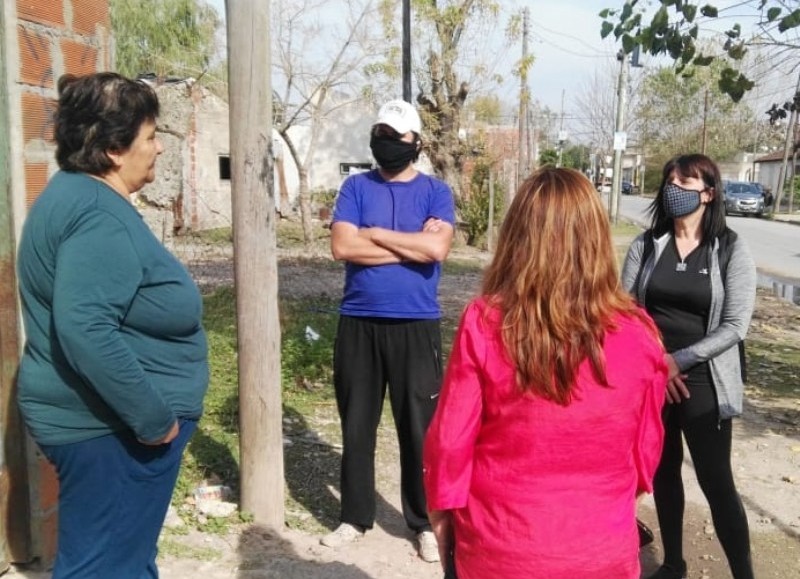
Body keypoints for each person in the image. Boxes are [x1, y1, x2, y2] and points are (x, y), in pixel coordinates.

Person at [423, 167, 668, 578]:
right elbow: (646, 450)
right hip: (601, 550)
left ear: (517, 238)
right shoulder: (640, 333)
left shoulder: (486, 323)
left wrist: (440, 512)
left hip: (501, 548)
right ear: (596, 239)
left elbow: (450, 440)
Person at [16, 72, 208, 579]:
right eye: (150, 136)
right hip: (113, 431)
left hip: (108, 428)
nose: (159, 149)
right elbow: (86, 328)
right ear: (114, 150)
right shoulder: (97, 213)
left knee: (120, 559)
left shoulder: (74, 195)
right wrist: (154, 420)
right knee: (104, 567)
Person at [320, 99, 455, 563]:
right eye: (379, 131)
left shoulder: (437, 192)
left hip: (416, 325)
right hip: (359, 322)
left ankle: (421, 523)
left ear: (415, 142)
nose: (385, 141)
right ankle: (354, 517)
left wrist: (373, 235)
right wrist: (410, 245)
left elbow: (437, 250)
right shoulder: (356, 186)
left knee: (418, 431)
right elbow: (341, 246)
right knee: (356, 425)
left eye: (395, 135)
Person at [621, 154, 757, 579]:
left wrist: (676, 362)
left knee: (717, 484)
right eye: (670, 180)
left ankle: (744, 573)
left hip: (705, 382)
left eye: (686, 181)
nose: (674, 187)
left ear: (708, 193)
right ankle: (673, 562)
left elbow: (736, 325)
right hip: (653, 379)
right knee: (663, 474)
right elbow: (623, 312)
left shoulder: (730, 248)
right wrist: (655, 364)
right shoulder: (646, 245)